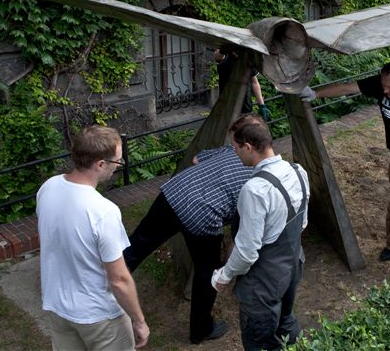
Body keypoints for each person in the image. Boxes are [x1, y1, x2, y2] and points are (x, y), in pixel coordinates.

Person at [300, 61, 390, 263]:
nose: (385, 91)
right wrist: (316, 94)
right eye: (383, 86)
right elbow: (348, 87)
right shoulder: (381, 85)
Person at [122, 145, 252, 344]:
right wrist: (227, 268)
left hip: (175, 192)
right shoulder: (259, 183)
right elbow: (239, 236)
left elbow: (197, 160)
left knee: (137, 246)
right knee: (207, 271)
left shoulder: (232, 149)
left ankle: (100, 287)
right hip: (203, 214)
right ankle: (201, 329)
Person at [37, 125, 149, 350]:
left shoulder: (48, 188)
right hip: (99, 316)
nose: (118, 167)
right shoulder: (102, 211)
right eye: (117, 162)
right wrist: (139, 320)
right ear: (100, 164)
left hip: (57, 307)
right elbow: (118, 279)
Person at [211, 114, 310, 351]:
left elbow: (246, 253)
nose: (234, 153)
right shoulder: (298, 171)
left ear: (248, 147)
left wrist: (223, 275)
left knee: (260, 342)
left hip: (264, 283)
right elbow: (302, 223)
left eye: (235, 148)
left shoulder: (255, 190)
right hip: (293, 265)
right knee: (286, 321)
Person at [215, 48, 271, 120]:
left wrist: (262, 105)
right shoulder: (226, 57)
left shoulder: (248, 59)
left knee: (245, 128)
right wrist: (223, 49)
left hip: (245, 107)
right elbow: (217, 56)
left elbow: (255, 82)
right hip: (227, 105)